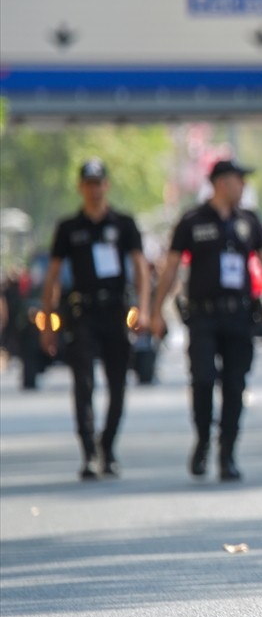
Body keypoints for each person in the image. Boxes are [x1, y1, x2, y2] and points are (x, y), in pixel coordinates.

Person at [149, 159, 262, 481]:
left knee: (234, 384)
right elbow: (171, 267)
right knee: (202, 380)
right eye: (238, 179)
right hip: (202, 315)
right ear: (220, 182)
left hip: (240, 315)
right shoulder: (192, 220)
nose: (243, 186)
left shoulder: (249, 221)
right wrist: (156, 310)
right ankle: (203, 438)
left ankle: (227, 452)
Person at [40, 159, 150, 480]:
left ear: (106, 186)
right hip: (82, 314)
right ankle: (88, 452)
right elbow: (54, 277)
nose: (94, 189)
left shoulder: (124, 224)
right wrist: (48, 323)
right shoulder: (69, 228)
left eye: (98, 182)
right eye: (88, 183)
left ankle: (108, 446)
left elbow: (141, 268)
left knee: (118, 383)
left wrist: (142, 307)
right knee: (83, 383)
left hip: (115, 312)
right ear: (81, 187)